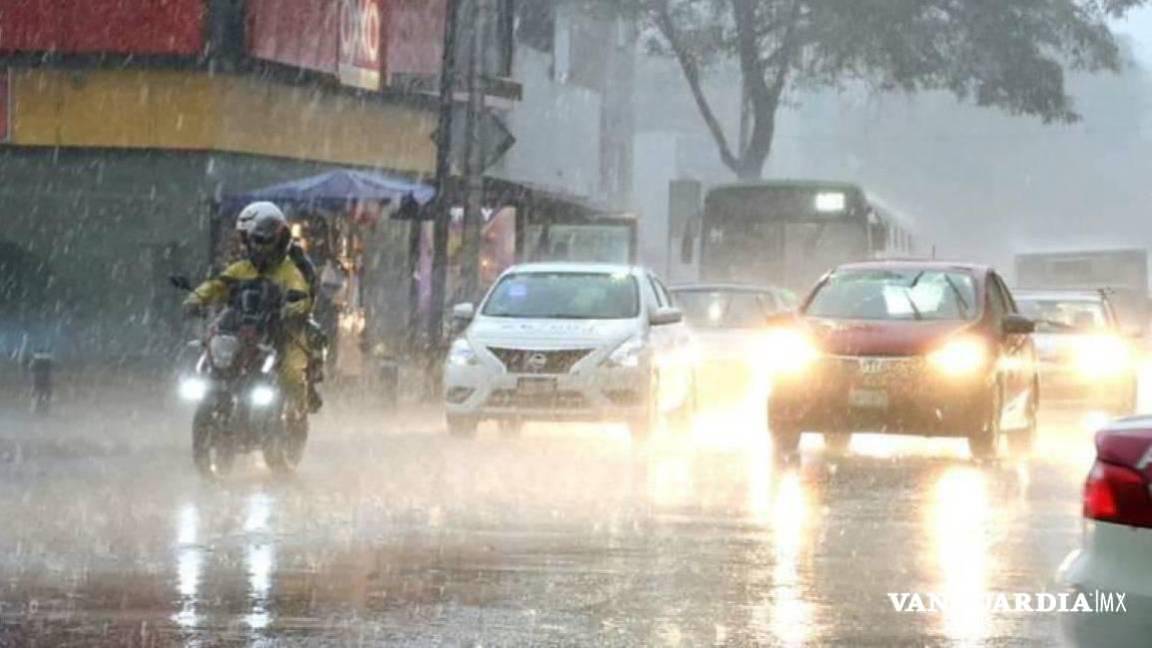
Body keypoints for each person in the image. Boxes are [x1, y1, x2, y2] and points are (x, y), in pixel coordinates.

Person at [184, 209, 312, 435]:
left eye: (266, 241)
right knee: (211, 358)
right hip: (240, 331)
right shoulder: (241, 268)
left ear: (279, 242)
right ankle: (224, 410)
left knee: (291, 371)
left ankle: (294, 416)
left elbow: (301, 293)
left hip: (275, 332)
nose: (261, 247)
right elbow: (216, 284)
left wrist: (294, 309)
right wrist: (195, 300)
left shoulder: (289, 271)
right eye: (257, 241)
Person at [235, 202, 326, 412]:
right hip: (249, 316)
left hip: (282, 318)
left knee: (307, 340)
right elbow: (230, 282)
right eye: (245, 236)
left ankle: (306, 389)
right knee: (220, 340)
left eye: (251, 235)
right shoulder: (247, 258)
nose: (248, 241)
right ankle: (222, 383)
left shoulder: (296, 258)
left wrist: (293, 305)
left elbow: (309, 284)